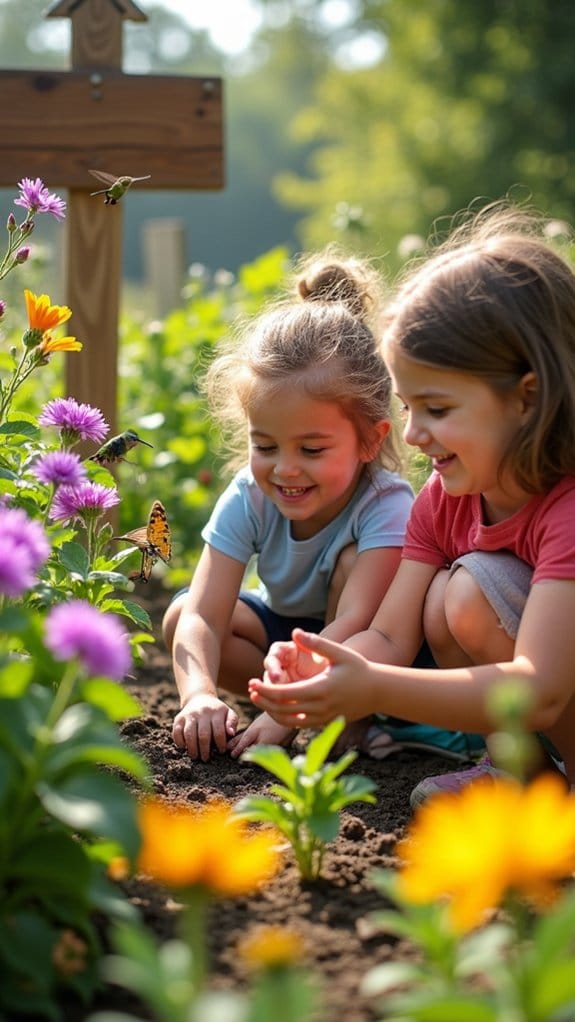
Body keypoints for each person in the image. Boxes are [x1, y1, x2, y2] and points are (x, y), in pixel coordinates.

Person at [248, 203, 575, 807]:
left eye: (438, 409)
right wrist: (325, 671)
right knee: (452, 596)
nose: (413, 434)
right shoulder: (444, 501)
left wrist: (374, 688)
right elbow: (389, 635)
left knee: (469, 594)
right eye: (406, 406)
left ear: (526, 398)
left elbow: (543, 690)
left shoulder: (567, 509)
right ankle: (525, 778)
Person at [162, 249, 417, 762]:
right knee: (177, 616)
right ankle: (286, 704)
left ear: (370, 440)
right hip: (281, 633)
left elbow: (362, 623)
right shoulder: (250, 495)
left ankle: (354, 718)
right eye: (265, 446)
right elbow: (204, 614)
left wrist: (286, 714)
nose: (285, 469)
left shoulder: (386, 503)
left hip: (355, 647)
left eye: (312, 450)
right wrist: (198, 694)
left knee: (351, 564)